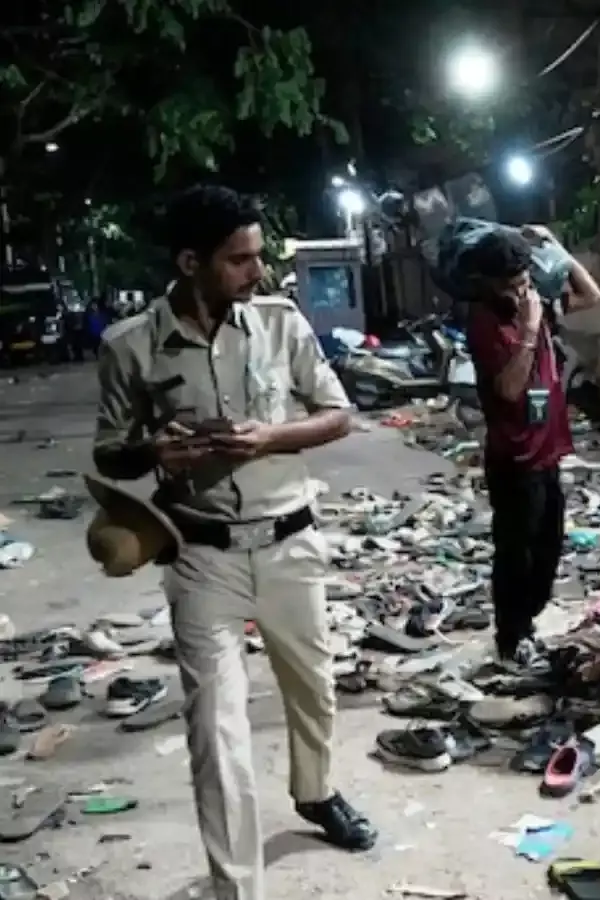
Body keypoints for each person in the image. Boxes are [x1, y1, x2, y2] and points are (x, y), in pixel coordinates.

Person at [93, 184, 374, 900]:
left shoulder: (280, 323)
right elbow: (111, 453)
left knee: (313, 690)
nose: (257, 273)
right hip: (199, 556)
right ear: (191, 261)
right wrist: (156, 451)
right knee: (215, 735)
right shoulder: (128, 346)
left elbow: (339, 415)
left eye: (257, 257)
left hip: (291, 544)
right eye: (239, 259)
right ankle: (236, 889)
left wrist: (271, 438)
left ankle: (315, 792)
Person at [465, 226, 600, 664]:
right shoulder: (486, 320)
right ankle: (511, 635)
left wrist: (556, 246)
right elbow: (506, 388)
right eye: (510, 285)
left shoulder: (539, 305)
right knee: (516, 554)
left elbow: (592, 294)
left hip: (548, 451)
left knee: (548, 549)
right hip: (513, 458)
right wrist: (527, 329)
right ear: (488, 283)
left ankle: (528, 623)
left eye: (524, 280)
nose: (521, 291)